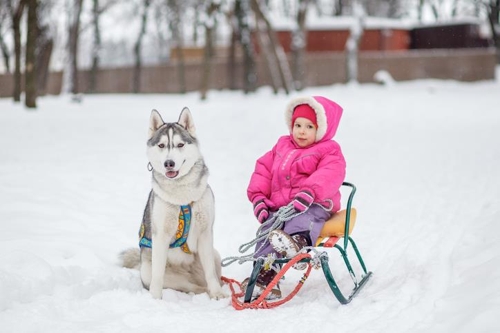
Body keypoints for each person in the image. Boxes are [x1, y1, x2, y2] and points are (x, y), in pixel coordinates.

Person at [245, 95, 346, 300]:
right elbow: (263, 170)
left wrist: (309, 192)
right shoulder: (282, 145)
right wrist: (259, 198)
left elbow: (330, 173)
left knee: (301, 220)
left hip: (315, 204)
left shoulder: (329, 150)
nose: (301, 131)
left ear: (322, 129)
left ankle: (299, 244)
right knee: (267, 230)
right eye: (297, 124)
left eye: (309, 126)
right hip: (283, 208)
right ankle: (265, 274)